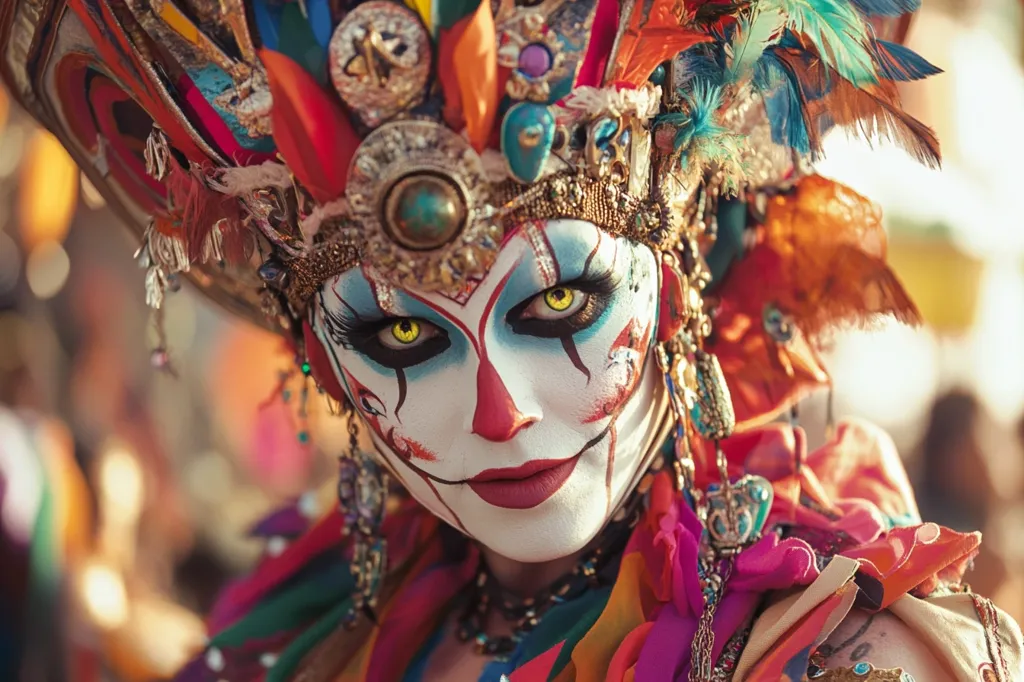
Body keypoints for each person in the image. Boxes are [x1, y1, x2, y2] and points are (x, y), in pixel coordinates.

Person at [2, 0, 1020, 680]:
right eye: (404, 334)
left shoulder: (841, 653)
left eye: (562, 305)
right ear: (326, 368)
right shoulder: (314, 637)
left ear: (673, 290)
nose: (502, 410)